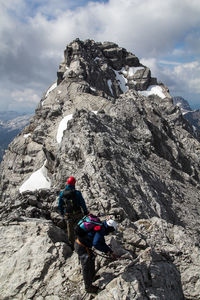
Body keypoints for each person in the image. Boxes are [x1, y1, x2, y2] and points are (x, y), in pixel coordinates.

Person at [74, 217, 119, 294]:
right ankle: (88, 287)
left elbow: (101, 242)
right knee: (86, 266)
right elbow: (96, 243)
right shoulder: (101, 229)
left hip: (83, 245)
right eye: (112, 231)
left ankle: (92, 276)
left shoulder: (101, 227)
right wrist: (106, 250)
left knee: (91, 258)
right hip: (82, 247)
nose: (111, 233)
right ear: (110, 228)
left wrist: (109, 251)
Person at [58, 176, 88, 248]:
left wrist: (62, 213)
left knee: (70, 231)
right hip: (78, 214)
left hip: (68, 215)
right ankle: (82, 243)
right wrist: (85, 212)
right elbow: (82, 203)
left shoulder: (62, 193)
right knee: (80, 228)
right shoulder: (77, 193)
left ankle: (72, 245)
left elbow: (60, 204)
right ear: (74, 184)